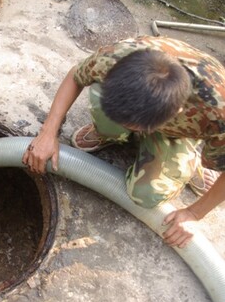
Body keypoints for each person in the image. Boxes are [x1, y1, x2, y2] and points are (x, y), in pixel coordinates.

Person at [22, 35, 225, 249]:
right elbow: (76, 75)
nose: (127, 126)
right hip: (155, 110)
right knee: (101, 100)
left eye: (133, 126)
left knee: (146, 194)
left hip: (184, 130)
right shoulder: (118, 58)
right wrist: (49, 131)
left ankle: (189, 160)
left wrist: (194, 213)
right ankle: (110, 132)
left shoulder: (218, 112)